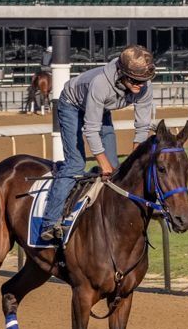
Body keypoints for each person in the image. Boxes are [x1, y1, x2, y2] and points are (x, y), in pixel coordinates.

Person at [38, 44, 156, 243]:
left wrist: (134, 158)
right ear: (122, 74)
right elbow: (91, 130)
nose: (140, 85)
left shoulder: (145, 86)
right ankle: (49, 222)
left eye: (144, 80)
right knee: (76, 164)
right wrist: (103, 164)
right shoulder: (101, 83)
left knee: (115, 169)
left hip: (101, 109)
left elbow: (142, 126)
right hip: (71, 105)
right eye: (135, 80)